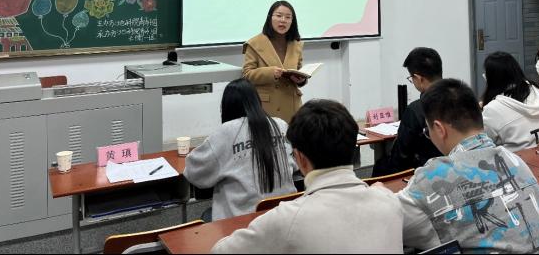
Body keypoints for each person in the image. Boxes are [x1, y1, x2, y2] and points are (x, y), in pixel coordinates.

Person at [390, 79, 539, 253]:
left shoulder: (434, 176)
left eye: (428, 132)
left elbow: (385, 220)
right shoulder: (514, 160)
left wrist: (380, 194)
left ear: (439, 129)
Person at [211, 99, 403, 254]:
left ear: (300, 158)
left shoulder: (286, 219)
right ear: (354, 146)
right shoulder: (389, 201)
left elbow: (220, 251)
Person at [184, 78, 296, 221]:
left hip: (241, 222)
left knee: (207, 216)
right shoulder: (280, 125)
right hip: (284, 215)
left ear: (227, 106)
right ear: (257, 101)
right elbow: (295, 164)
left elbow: (194, 174)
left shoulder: (226, 132)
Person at [371, 47, 442, 177]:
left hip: (420, 174)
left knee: (381, 166)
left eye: (411, 78)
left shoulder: (416, 110)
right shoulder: (460, 99)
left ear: (419, 78)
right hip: (453, 166)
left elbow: (401, 157)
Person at [242, 0, 306, 122]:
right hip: (267, 106)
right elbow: (246, 75)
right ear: (270, 18)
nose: (283, 20)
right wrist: (270, 73)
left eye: (288, 17)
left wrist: (301, 79)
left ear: (292, 21)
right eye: (279, 16)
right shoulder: (255, 43)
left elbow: (298, 69)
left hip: (291, 105)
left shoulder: (296, 43)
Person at [481, 51, 539, 151]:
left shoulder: (493, 109)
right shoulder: (537, 91)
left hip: (519, 160)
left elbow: (483, 143)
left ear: (492, 78)